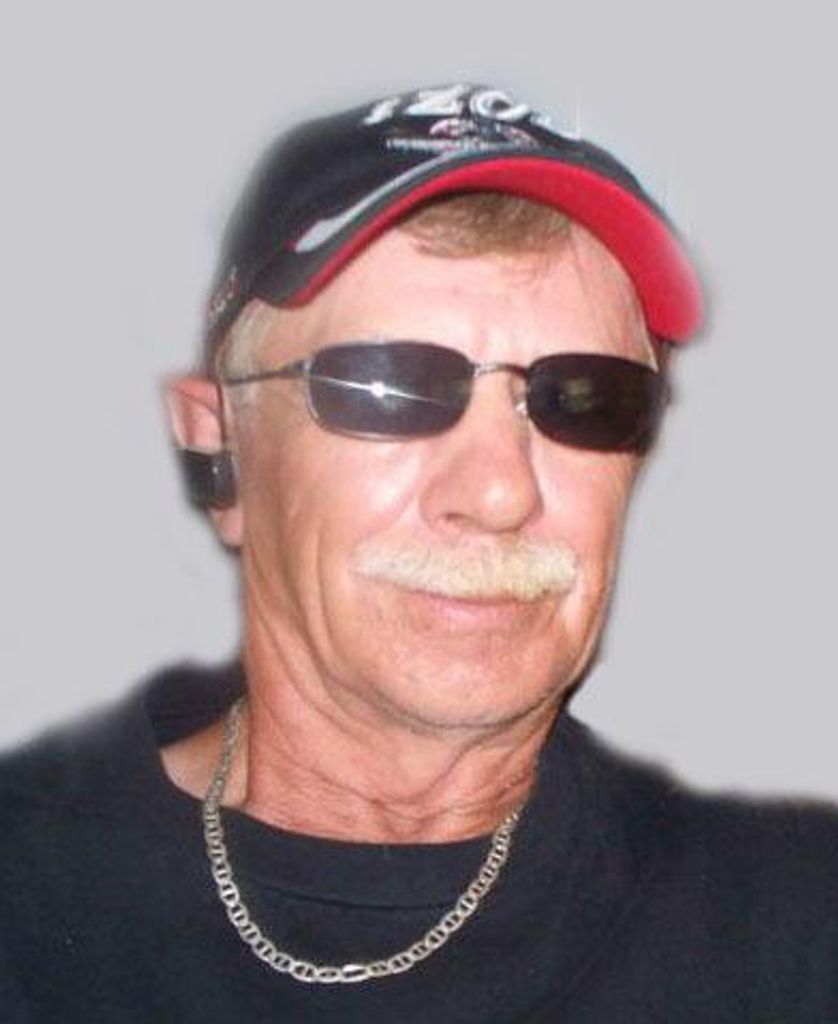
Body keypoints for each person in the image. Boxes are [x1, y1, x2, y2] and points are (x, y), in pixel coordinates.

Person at [1, 82, 835, 1022]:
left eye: (584, 399)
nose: (500, 491)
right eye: (391, 386)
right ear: (220, 448)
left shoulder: (789, 926)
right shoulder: (30, 914)